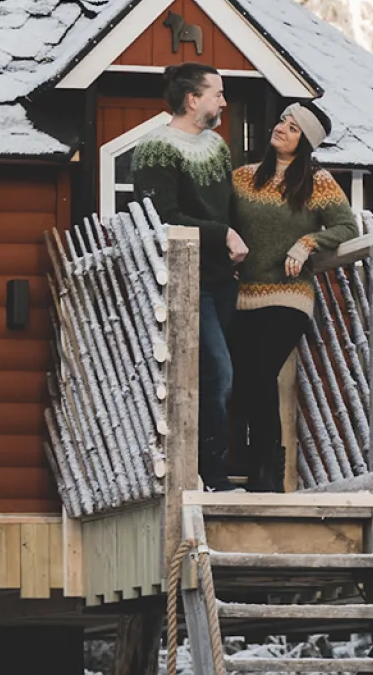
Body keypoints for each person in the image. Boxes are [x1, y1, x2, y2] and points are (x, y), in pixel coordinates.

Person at [131, 62, 249, 492]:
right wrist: (224, 235)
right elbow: (164, 218)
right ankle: (212, 478)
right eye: (216, 92)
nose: (223, 100)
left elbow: (229, 207)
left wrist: (236, 246)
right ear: (192, 99)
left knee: (225, 374)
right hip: (185, 281)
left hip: (222, 280)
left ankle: (217, 470)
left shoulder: (217, 146)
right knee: (216, 372)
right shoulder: (155, 149)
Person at [228, 102, 357, 492]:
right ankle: (254, 468)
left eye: (294, 127)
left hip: (289, 297)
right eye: (283, 120)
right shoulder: (242, 178)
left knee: (260, 372)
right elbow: (222, 222)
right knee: (243, 379)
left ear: (305, 144)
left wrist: (309, 242)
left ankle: (266, 470)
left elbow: (347, 227)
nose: (282, 128)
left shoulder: (317, 182)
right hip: (242, 296)